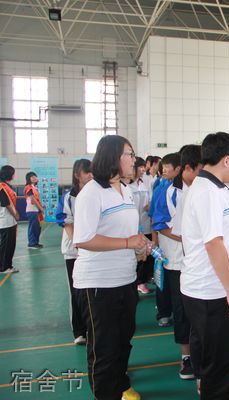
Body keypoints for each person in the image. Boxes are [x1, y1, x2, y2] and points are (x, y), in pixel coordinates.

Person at [73, 135, 148, 400]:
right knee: (103, 348)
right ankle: (106, 393)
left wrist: (138, 246)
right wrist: (128, 242)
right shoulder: (91, 193)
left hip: (124, 278)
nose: (134, 160)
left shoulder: (125, 190)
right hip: (98, 283)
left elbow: (125, 230)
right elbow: (83, 238)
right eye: (129, 154)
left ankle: (120, 382)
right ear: (113, 157)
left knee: (123, 339)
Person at [181, 132, 229, 399]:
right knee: (218, 367)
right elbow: (213, 244)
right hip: (210, 292)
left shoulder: (216, 187)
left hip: (211, 288)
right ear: (227, 160)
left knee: (219, 361)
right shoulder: (208, 192)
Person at [152, 149, 198, 380]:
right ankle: (186, 357)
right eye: (199, 169)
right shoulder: (167, 192)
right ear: (186, 168)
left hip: (201, 263)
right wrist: (187, 237)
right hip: (177, 263)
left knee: (201, 311)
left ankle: (202, 354)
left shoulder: (205, 189)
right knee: (181, 312)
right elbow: (159, 223)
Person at [56, 159, 93, 345]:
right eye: (86, 172)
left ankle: (91, 326)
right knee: (75, 291)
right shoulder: (68, 197)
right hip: (73, 251)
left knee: (90, 292)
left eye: (92, 172)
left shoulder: (96, 194)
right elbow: (66, 223)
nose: (90, 175)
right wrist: (78, 245)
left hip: (92, 251)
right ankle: (79, 331)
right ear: (77, 174)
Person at [151, 153, 180, 328]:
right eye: (164, 166)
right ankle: (163, 312)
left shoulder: (184, 189)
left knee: (175, 282)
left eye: (168, 166)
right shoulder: (162, 188)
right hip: (165, 243)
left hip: (178, 246)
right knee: (163, 280)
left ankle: (177, 313)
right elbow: (154, 218)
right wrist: (155, 242)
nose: (164, 169)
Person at [130, 157, 153, 295]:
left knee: (146, 256)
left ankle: (142, 280)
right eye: (140, 167)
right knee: (137, 258)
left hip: (146, 225)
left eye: (144, 167)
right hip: (135, 228)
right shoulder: (128, 186)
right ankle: (138, 282)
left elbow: (148, 202)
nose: (143, 169)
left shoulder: (143, 184)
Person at [0, 165, 19, 274]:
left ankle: (7, 265)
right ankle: (4, 267)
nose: (14, 175)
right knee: (6, 246)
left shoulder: (6, 186)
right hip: (5, 220)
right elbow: (6, 203)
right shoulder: (2, 187)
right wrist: (15, 214)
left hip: (9, 221)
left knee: (10, 245)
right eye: (13, 173)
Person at [24, 171, 44, 249]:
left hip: (36, 210)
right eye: (32, 177)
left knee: (37, 227)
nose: (35, 178)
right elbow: (33, 199)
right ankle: (31, 243)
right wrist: (41, 208)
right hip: (32, 210)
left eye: (35, 176)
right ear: (28, 179)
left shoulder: (34, 187)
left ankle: (35, 242)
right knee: (33, 227)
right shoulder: (28, 187)